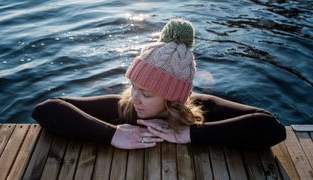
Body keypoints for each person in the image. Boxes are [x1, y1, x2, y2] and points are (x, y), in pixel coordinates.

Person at [32, 19, 286, 150]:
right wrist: (112, 134)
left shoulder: (200, 107)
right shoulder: (126, 107)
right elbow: (47, 110)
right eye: (133, 87)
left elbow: (272, 128)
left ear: (172, 97)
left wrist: (191, 134)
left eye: (146, 93)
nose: (134, 98)